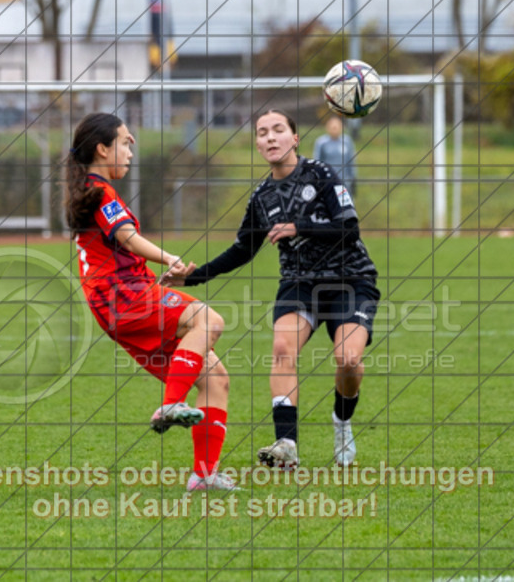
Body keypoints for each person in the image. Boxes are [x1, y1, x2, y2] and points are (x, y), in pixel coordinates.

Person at [164, 108, 380, 469]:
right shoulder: (262, 197)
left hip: (350, 279)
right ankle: (287, 444)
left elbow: (349, 229)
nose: (270, 137)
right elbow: (242, 250)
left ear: (294, 138)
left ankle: (342, 421)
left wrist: (299, 227)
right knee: (282, 348)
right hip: (298, 282)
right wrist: (194, 277)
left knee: (348, 359)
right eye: (262, 132)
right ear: (258, 145)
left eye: (278, 130)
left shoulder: (322, 174)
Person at [64, 112, 237, 490]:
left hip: (117, 301)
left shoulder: (91, 191)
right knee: (209, 320)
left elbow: (114, 251)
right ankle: (171, 403)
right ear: (102, 148)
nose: (130, 151)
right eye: (125, 143)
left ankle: (204, 476)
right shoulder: (102, 192)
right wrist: (168, 257)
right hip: (121, 296)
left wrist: (150, 279)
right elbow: (126, 237)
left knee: (216, 379)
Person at [312, 115, 357, 191]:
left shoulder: (347, 141)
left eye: (337, 127)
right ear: (327, 128)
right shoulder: (321, 143)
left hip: (344, 182)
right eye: (333, 127)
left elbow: (351, 162)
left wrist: (353, 178)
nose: (335, 129)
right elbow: (317, 162)